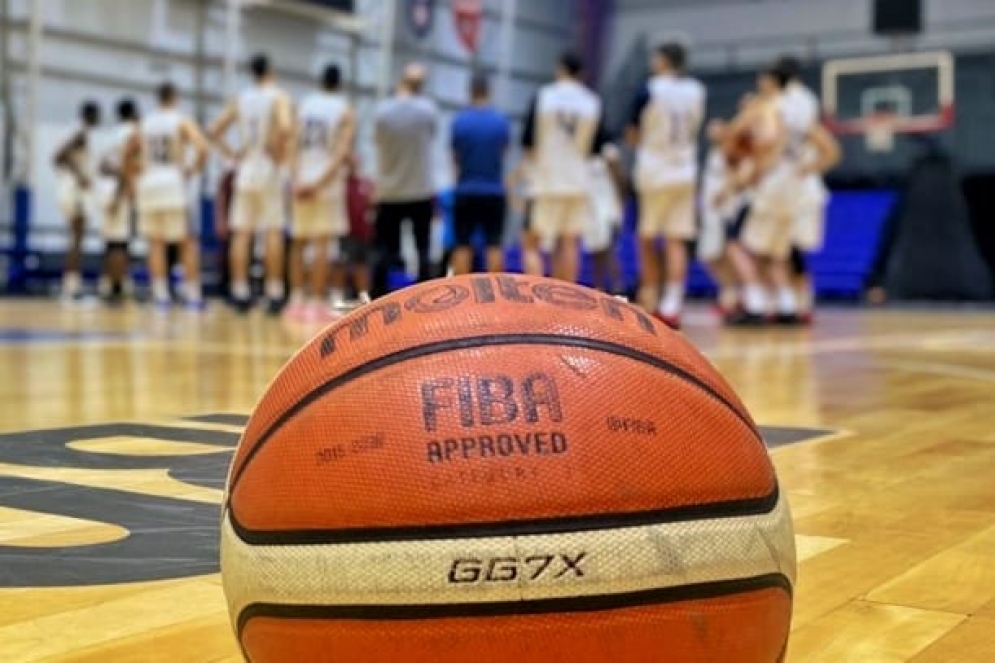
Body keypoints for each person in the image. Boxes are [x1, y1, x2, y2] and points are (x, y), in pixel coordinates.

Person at [730, 66, 840, 325]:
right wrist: (808, 169)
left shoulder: (770, 108)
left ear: (772, 83)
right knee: (782, 252)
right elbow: (831, 150)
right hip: (795, 189)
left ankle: (757, 305)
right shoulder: (802, 116)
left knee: (753, 247)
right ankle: (788, 305)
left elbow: (768, 143)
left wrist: (752, 175)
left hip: (773, 188)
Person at [626, 43, 706, 329]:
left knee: (646, 237)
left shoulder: (649, 88)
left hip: (654, 170)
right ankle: (673, 302)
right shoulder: (697, 90)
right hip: (685, 170)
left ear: (662, 61)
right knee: (676, 239)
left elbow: (632, 133)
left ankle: (649, 297)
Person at [209, 53, 293, 314]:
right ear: (270, 71)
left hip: (246, 168)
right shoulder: (278, 96)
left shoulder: (242, 98)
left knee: (242, 233)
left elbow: (214, 129)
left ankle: (239, 290)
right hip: (268, 168)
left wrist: (233, 153)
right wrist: (278, 151)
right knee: (272, 232)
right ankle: (274, 291)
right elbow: (286, 127)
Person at [521, 51, 607, 284]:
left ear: (560, 69)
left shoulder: (544, 96)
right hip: (578, 180)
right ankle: (566, 299)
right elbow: (596, 149)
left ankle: (534, 297)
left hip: (546, 180)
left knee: (532, 242)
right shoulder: (592, 102)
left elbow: (528, 143)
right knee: (569, 242)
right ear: (581, 74)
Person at [126, 82, 209, 309]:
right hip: (172, 181)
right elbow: (202, 146)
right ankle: (193, 296)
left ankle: (160, 295)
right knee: (186, 242)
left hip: (149, 182)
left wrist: (132, 179)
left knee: (155, 242)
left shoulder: (145, 122)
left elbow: (127, 152)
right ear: (175, 97)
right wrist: (194, 169)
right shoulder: (180, 120)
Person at [285, 63, 355, 320]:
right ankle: (315, 301)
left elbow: (291, 145)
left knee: (299, 242)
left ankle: (295, 299)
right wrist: (318, 184)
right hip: (327, 183)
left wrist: (296, 180)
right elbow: (340, 154)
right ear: (339, 83)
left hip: (301, 177)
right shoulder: (345, 110)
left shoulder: (303, 106)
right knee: (322, 244)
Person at [370, 62, 439, 297]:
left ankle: (378, 299)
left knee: (384, 250)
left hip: (389, 190)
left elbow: (378, 143)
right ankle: (426, 299)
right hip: (419, 189)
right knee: (422, 250)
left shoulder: (383, 111)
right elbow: (432, 135)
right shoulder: (427, 111)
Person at [775, 55, 830, 323]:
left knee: (785, 249)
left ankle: (794, 302)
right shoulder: (808, 99)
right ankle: (798, 302)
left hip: (788, 183)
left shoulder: (780, 102)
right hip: (801, 182)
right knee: (790, 249)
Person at [450, 72, 510, 275]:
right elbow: (503, 153)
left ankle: (460, 292)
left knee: (462, 245)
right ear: (488, 92)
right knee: (494, 245)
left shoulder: (460, 121)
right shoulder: (501, 121)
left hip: (466, 189)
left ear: (470, 92)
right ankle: (496, 292)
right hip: (494, 190)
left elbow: (455, 157)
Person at [53, 101, 100, 301]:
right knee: (76, 239)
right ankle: (71, 287)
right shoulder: (80, 132)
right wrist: (80, 175)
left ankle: (71, 283)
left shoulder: (77, 130)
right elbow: (58, 156)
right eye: (97, 115)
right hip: (75, 191)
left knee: (76, 239)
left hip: (70, 189)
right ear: (91, 115)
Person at [96, 98, 140, 304]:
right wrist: (120, 193)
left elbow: (102, 165)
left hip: (104, 188)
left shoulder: (110, 134)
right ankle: (118, 285)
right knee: (120, 242)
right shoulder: (133, 133)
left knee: (110, 242)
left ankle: (110, 283)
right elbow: (125, 167)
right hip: (118, 190)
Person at [586, 144, 625, 294]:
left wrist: (613, 164)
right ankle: (599, 288)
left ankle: (618, 287)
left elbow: (621, 182)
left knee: (609, 251)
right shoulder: (583, 156)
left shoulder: (608, 152)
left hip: (609, 213)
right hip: (592, 214)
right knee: (597, 254)